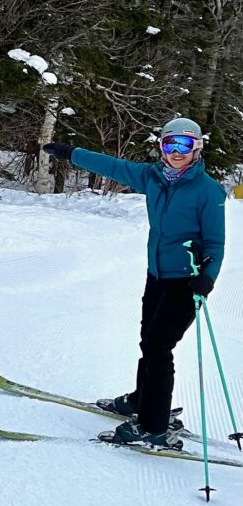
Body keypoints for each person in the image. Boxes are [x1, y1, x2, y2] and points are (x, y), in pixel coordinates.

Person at [43, 117, 226, 450]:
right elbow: (112, 166)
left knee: (159, 348)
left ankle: (153, 427)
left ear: (197, 148)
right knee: (148, 341)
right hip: (156, 276)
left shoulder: (207, 191)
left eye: (185, 145)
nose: (177, 152)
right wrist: (71, 153)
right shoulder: (152, 177)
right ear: (161, 147)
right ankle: (143, 400)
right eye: (170, 144)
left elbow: (215, 244)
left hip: (186, 282)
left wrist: (207, 277)